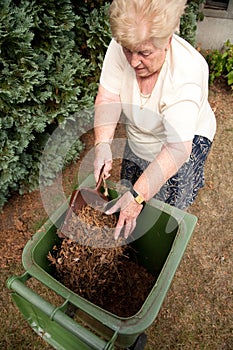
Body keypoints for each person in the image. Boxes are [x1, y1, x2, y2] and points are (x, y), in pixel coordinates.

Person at [93, 0, 216, 240]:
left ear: (168, 40)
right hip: (143, 129)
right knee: (130, 185)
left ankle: (155, 239)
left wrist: (139, 197)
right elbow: (108, 97)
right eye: (128, 50)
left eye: (144, 53)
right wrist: (103, 144)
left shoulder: (185, 76)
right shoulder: (124, 43)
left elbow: (177, 149)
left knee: (162, 205)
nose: (133, 61)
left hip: (183, 143)